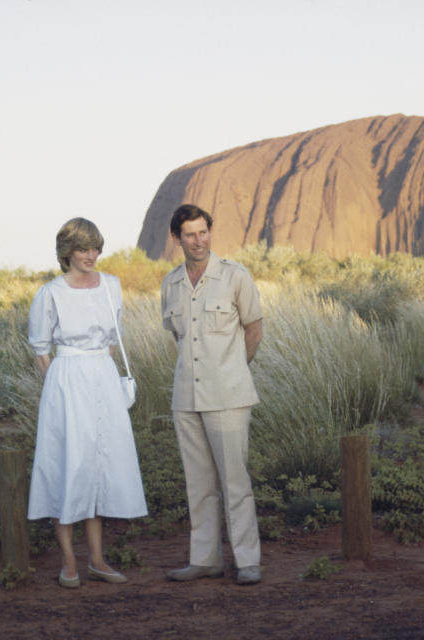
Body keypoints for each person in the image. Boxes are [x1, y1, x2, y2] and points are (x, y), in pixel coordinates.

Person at [27, 217, 147, 588]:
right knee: (68, 464)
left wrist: (99, 371)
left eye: (95, 247)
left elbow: (113, 337)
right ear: (67, 253)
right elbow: (40, 348)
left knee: (99, 465)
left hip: (103, 377)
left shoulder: (111, 286)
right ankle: (69, 563)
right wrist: (58, 387)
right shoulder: (51, 293)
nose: (91, 255)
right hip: (66, 382)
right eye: (83, 248)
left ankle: (97, 559)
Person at [160, 204, 264, 586]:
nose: (198, 240)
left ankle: (247, 560)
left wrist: (233, 370)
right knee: (198, 483)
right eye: (190, 234)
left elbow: (254, 330)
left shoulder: (235, 277)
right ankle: (204, 559)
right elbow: (179, 336)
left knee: (235, 482)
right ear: (177, 239)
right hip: (186, 398)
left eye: (203, 232)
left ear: (210, 232)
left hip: (229, 396)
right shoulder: (170, 284)